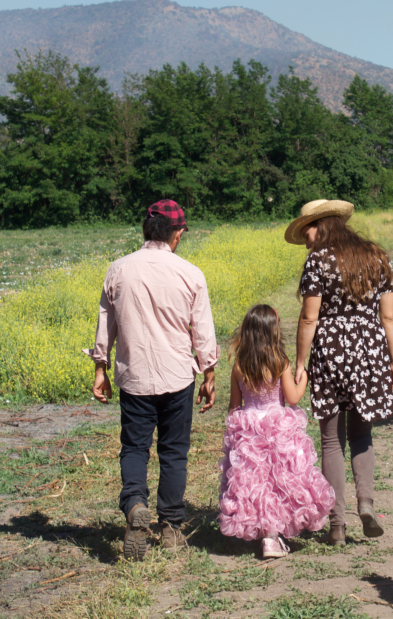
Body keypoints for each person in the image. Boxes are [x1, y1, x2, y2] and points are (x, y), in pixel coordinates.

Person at [88, 199, 219, 561]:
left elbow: (106, 325)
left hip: (134, 377)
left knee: (134, 448)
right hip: (177, 376)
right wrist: (209, 373)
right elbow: (203, 331)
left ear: (146, 230)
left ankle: (133, 504)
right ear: (176, 235)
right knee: (173, 453)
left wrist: (101, 367)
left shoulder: (118, 270)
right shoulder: (190, 273)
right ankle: (171, 527)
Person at [286, 199, 393, 547]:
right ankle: (366, 502)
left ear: (321, 224)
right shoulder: (377, 256)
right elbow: (389, 318)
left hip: (331, 350)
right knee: (362, 433)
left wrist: (301, 362)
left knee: (332, 439)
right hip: (369, 349)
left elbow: (309, 318)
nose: (304, 237)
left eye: (306, 228)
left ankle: (337, 526)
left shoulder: (318, 260)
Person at [218, 304, 336, 558]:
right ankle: (272, 538)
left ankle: (266, 535)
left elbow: (233, 406)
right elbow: (293, 398)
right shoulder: (280, 363)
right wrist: (303, 378)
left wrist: (234, 436)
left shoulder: (239, 365)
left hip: (249, 428)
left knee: (256, 485)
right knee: (281, 482)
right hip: (278, 426)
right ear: (274, 331)